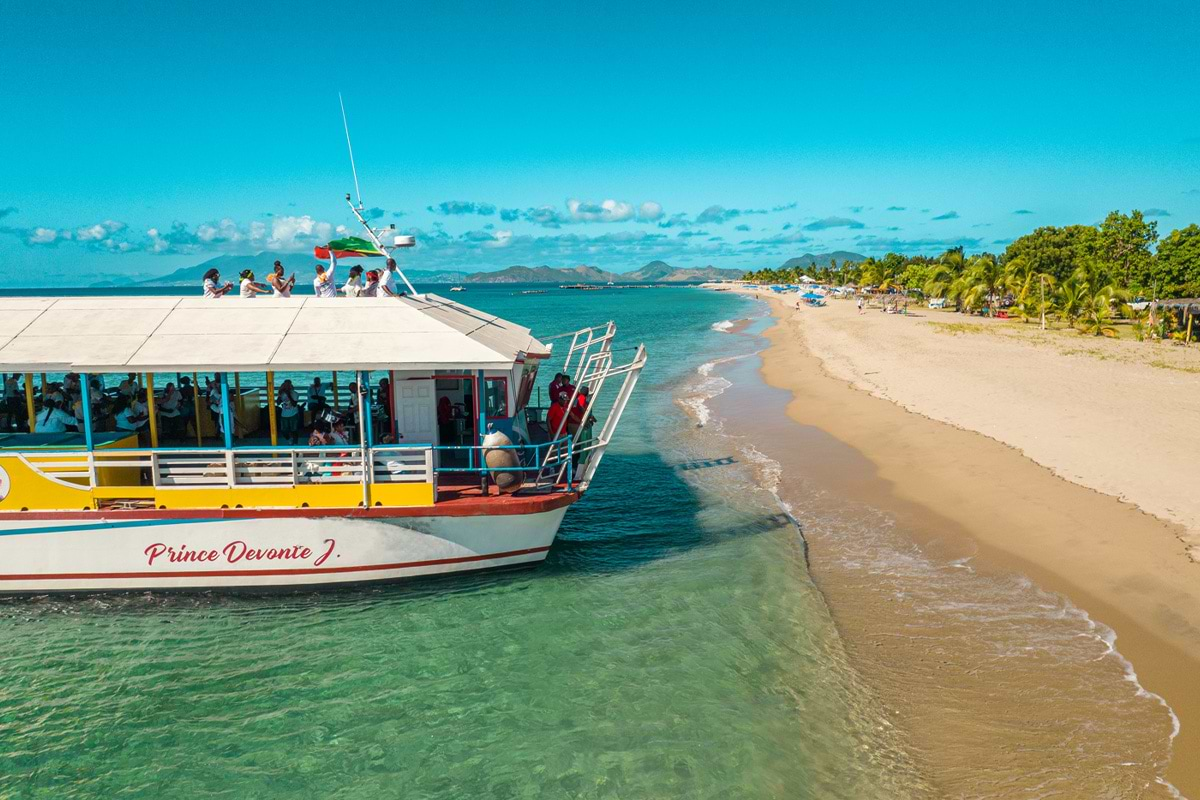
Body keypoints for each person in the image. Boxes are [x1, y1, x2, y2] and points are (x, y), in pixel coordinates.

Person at [277, 379, 302, 445]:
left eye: (288, 385)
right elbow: (278, 403)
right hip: (284, 414)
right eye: (285, 385)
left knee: (294, 430)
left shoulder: (295, 393)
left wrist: (289, 395)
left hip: (293, 414)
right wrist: (280, 394)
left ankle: (296, 444)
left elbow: (294, 404)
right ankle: (289, 439)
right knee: (283, 430)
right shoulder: (282, 394)